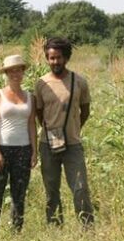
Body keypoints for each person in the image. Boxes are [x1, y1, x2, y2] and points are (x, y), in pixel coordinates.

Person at [34, 37, 94, 227]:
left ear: (66, 58)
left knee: (80, 188)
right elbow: (38, 112)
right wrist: (51, 130)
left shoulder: (79, 82)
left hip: (73, 145)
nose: (55, 62)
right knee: (51, 189)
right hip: (48, 144)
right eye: (51, 58)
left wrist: (74, 129)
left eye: (58, 58)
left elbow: (85, 111)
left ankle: (87, 227)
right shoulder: (41, 83)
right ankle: (55, 226)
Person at [0, 54, 37, 234]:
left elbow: (31, 124)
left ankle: (16, 232)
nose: (15, 74)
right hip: (2, 149)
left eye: (18, 70)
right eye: (11, 71)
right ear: (6, 73)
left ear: (23, 72)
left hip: (23, 149)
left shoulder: (30, 97)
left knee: (19, 195)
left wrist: (34, 151)